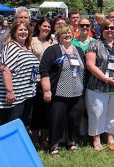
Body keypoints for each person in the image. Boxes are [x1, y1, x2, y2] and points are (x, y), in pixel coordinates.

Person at [39, 24, 86, 157]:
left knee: (74, 118)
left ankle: (71, 141)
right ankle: (54, 145)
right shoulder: (53, 50)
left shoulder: (78, 50)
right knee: (56, 120)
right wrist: (47, 90)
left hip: (77, 92)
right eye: (64, 33)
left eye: (69, 33)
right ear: (59, 35)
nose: (67, 35)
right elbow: (44, 70)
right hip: (59, 92)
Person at [85, 19, 114, 150]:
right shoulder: (95, 45)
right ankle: (96, 139)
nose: (110, 30)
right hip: (98, 87)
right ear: (102, 30)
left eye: (112, 28)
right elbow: (90, 65)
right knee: (97, 113)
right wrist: (106, 79)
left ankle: (110, 137)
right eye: (107, 28)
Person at [0, 19, 37, 127]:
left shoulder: (25, 48)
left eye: (26, 30)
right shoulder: (12, 46)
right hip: (14, 95)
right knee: (10, 125)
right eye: (20, 30)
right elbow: (5, 69)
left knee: (21, 124)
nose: (23, 32)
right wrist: (10, 91)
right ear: (13, 32)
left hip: (24, 94)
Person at [30, 17, 55, 150]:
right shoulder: (32, 41)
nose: (46, 29)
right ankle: (35, 139)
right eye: (44, 26)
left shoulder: (53, 42)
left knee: (47, 112)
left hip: (50, 82)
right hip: (36, 81)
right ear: (39, 26)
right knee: (36, 112)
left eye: (49, 27)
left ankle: (44, 139)